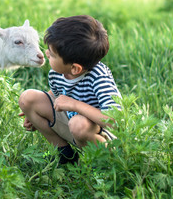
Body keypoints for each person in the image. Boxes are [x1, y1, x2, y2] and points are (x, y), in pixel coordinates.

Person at [18, 15, 121, 165]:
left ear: (75, 68)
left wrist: (75, 105)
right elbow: (56, 95)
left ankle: (103, 162)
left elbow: (114, 120)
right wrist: (35, 114)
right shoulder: (57, 72)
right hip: (71, 124)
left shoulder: (99, 77)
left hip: (100, 136)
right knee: (28, 99)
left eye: (52, 54)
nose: (46, 54)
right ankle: (64, 154)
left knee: (79, 124)